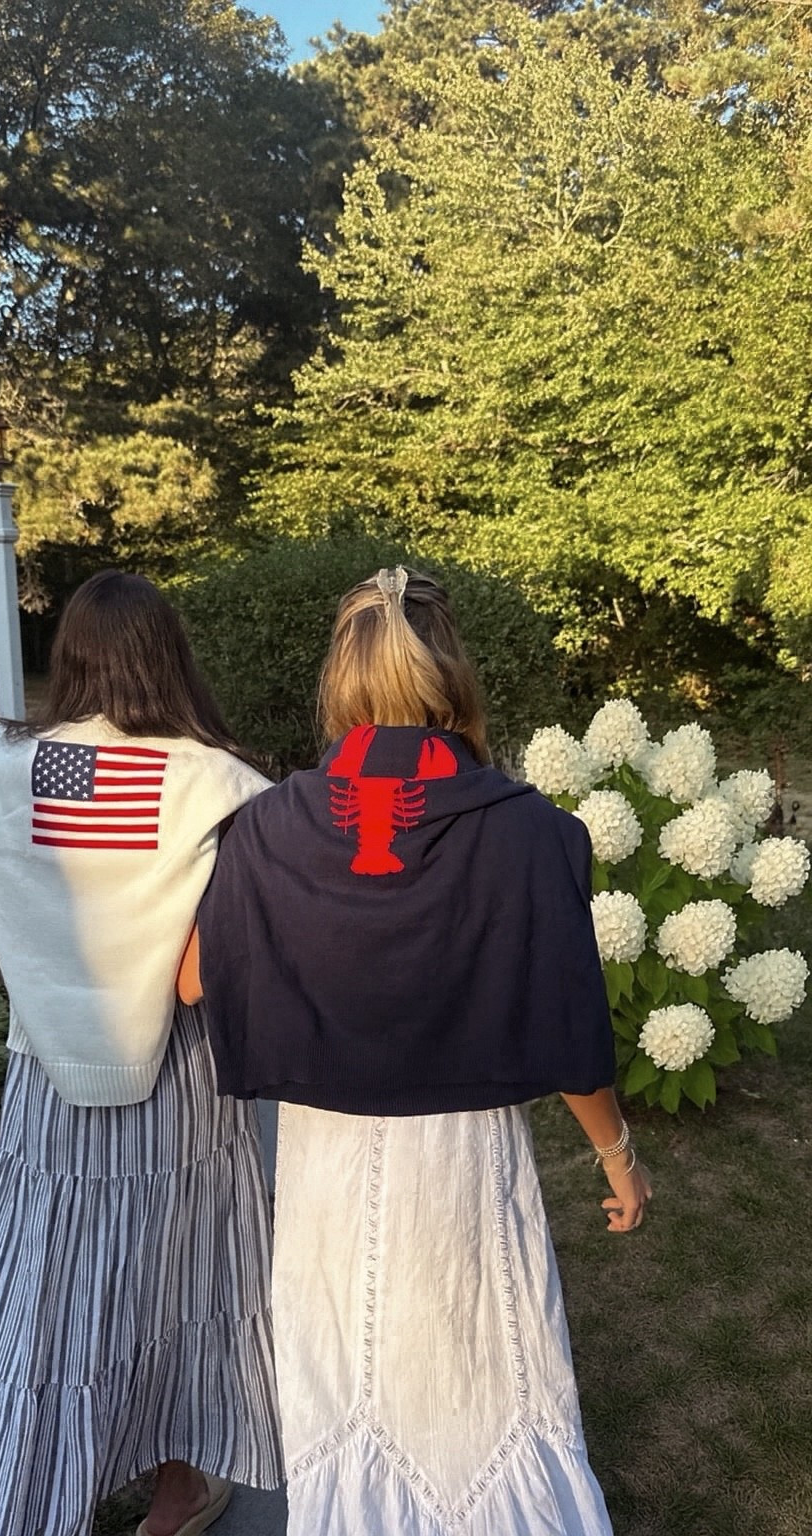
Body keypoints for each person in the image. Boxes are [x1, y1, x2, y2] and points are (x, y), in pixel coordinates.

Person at [187, 567, 651, 1536]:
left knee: (347, 1387)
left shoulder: (266, 827)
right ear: (454, 674)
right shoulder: (531, 832)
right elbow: (571, 1030)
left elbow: (204, 981)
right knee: (479, 1372)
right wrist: (617, 1155)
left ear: (339, 681)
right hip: (463, 1163)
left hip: (324, 1162)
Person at [0, 571, 283, 1536]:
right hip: (176, 1085)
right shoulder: (214, 783)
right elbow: (201, 973)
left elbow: (19, 875)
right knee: (181, 1284)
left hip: (46, 1078)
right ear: (170, 659)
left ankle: (15, 1502)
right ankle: (177, 1493)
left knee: (46, 1301)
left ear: (68, 656)